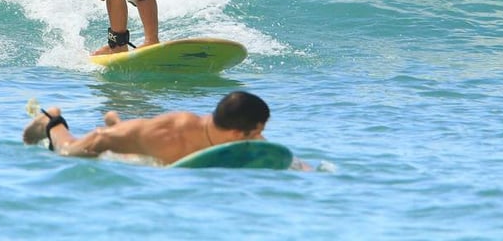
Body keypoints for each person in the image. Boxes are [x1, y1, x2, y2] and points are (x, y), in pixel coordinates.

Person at [23, 91, 310, 169]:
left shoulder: (236, 129)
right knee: (67, 151)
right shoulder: (168, 137)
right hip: (124, 138)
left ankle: (115, 120)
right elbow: (101, 141)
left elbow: (278, 156)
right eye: (258, 131)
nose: (261, 137)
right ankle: (50, 120)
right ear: (238, 133)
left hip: (145, 141)